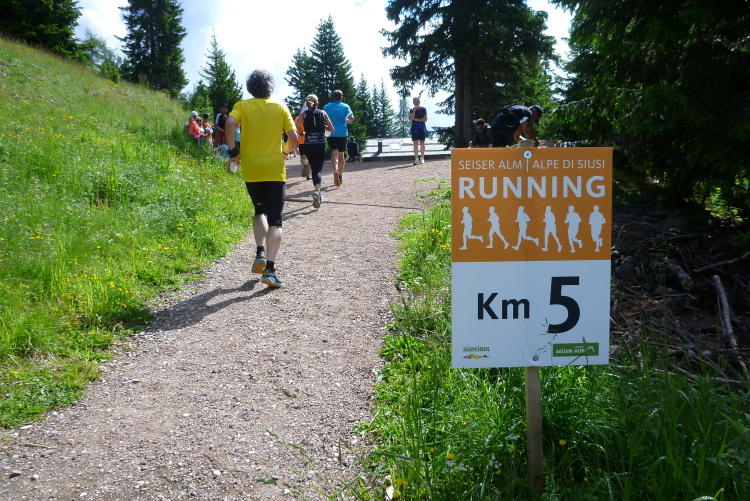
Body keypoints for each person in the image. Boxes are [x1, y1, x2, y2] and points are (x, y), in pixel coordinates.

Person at [224, 69, 298, 288]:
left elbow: (230, 123)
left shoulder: (242, 106)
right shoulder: (280, 107)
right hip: (274, 169)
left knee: (259, 210)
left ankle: (260, 253)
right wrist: (285, 152)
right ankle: (270, 270)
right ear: (270, 87)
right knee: (276, 219)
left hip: (251, 168)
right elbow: (293, 138)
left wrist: (233, 152)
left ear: (251, 88)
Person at [298, 94, 334, 209]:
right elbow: (332, 129)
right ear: (317, 103)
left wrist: (301, 133)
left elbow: (297, 125)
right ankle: (317, 191)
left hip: (308, 145)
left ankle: (317, 192)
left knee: (313, 168)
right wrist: (324, 127)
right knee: (318, 169)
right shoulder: (322, 113)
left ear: (307, 103)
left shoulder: (304, 114)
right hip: (320, 144)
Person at [323, 90, 354, 186]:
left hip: (331, 133)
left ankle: (335, 170)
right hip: (342, 133)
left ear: (333, 97)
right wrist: (347, 122)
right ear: (341, 98)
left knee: (334, 153)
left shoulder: (326, 107)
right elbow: (351, 117)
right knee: (341, 154)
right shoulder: (345, 106)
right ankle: (340, 175)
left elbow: (322, 118)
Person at [409, 97, 428, 164]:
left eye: (417, 102)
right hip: (414, 127)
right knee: (415, 142)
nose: (416, 103)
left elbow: (425, 119)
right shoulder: (412, 110)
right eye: (415, 102)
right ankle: (416, 158)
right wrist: (414, 111)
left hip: (422, 127)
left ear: (419, 102)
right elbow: (411, 118)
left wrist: (417, 120)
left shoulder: (423, 109)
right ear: (413, 103)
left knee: (422, 142)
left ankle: (422, 158)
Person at [294, 105, 310, 179]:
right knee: (310, 158)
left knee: (303, 157)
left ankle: (305, 165)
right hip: (311, 140)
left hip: (301, 140)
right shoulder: (311, 116)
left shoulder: (298, 118)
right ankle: (308, 174)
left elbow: (295, 129)